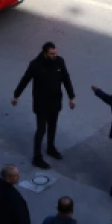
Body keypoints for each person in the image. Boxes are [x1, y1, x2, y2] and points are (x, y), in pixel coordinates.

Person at [12, 41, 75, 170]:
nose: (54, 56)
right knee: (41, 130)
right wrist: (16, 95)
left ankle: (51, 148)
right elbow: (25, 80)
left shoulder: (59, 62)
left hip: (55, 101)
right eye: (52, 54)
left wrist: (71, 97)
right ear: (45, 53)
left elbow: (66, 79)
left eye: (55, 53)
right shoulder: (35, 65)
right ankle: (37, 157)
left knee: (53, 126)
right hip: (41, 103)